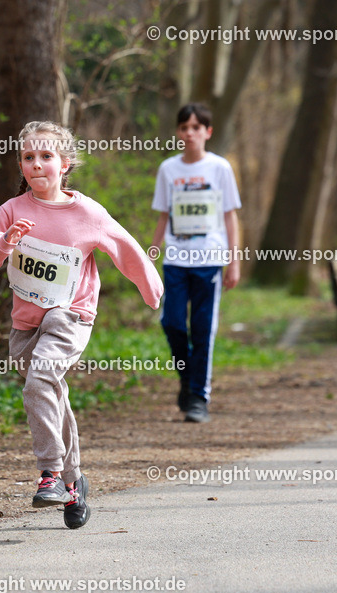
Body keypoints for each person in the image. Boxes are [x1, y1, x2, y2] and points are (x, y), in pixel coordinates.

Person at [0, 121, 163, 529]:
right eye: (28, 157)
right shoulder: (12, 210)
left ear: (65, 163)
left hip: (71, 315)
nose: (37, 164)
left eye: (46, 156)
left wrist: (151, 290)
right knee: (52, 392)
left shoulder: (86, 212)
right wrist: (5, 242)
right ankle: (75, 482)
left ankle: (50, 475)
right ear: (20, 165)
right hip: (26, 323)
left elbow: (126, 249)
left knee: (40, 379)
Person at [151, 103, 242, 423]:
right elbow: (164, 216)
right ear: (178, 132)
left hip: (210, 260)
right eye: (184, 127)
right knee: (172, 323)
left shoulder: (220, 169)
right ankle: (186, 380)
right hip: (176, 259)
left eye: (195, 127)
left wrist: (234, 261)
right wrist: (150, 256)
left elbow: (230, 217)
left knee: (203, 328)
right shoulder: (168, 170)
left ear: (208, 132)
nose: (189, 133)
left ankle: (198, 396)